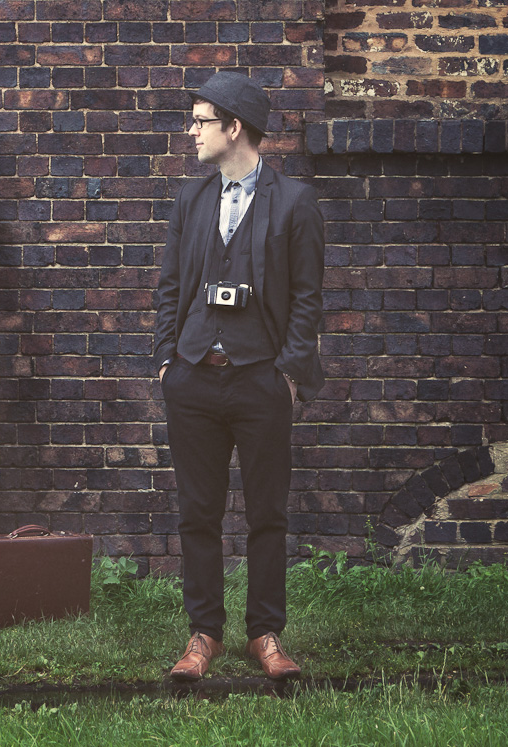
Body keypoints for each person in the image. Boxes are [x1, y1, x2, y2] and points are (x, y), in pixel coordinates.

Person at [154, 72, 324, 680]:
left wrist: (289, 374)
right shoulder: (191, 199)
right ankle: (204, 634)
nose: (191, 131)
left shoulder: (294, 201)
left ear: (234, 128)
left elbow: (307, 297)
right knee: (197, 513)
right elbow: (170, 285)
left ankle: (265, 634)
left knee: (267, 515)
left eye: (201, 121)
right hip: (194, 377)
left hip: (260, 380)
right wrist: (167, 360)